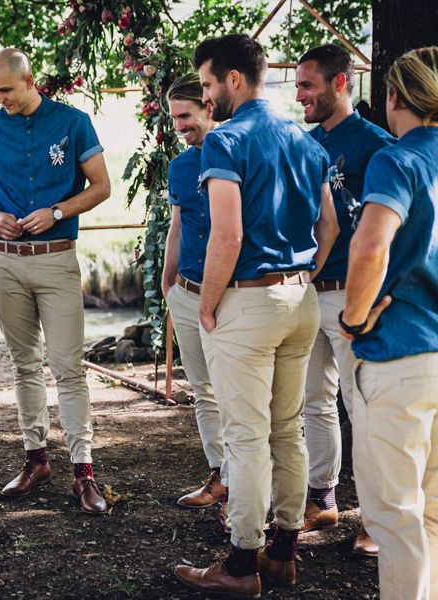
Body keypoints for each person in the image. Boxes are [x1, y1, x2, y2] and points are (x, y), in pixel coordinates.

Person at [174, 34, 338, 597]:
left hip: (247, 299)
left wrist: (206, 302)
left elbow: (227, 234)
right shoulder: (304, 137)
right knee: (286, 430)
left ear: (234, 80)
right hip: (300, 301)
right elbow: (330, 228)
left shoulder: (224, 141)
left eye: (208, 83)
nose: (206, 93)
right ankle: (283, 554)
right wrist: (300, 280)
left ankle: (241, 565)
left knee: (245, 437)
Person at [0, 48, 112, 514]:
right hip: (4, 260)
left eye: (6, 90)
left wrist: (57, 212)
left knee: (68, 367)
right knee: (23, 364)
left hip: (55, 260)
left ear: (29, 81)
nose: (0, 98)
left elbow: (101, 186)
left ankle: (83, 472)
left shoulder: (73, 122)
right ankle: (35, 460)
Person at [341, 46, 438, 600]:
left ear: (393, 97)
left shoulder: (398, 159)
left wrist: (354, 317)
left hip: (402, 354)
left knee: (396, 520)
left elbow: (370, 245)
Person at [295, 44, 394, 555]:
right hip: (307, 292)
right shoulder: (304, 143)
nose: (299, 95)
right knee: (314, 402)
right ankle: (323, 497)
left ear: (340, 82)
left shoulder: (378, 145)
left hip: (354, 296)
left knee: (363, 404)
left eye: (308, 85)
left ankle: (376, 519)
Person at [161, 74, 227, 514]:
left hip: (230, 296)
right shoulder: (181, 165)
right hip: (185, 291)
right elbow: (178, 226)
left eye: (185, 115)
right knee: (203, 390)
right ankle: (220, 474)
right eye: (174, 119)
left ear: (208, 106)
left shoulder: (237, 154)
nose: (180, 126)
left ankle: (249, 485)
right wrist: (168, 286)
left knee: (236, 394)